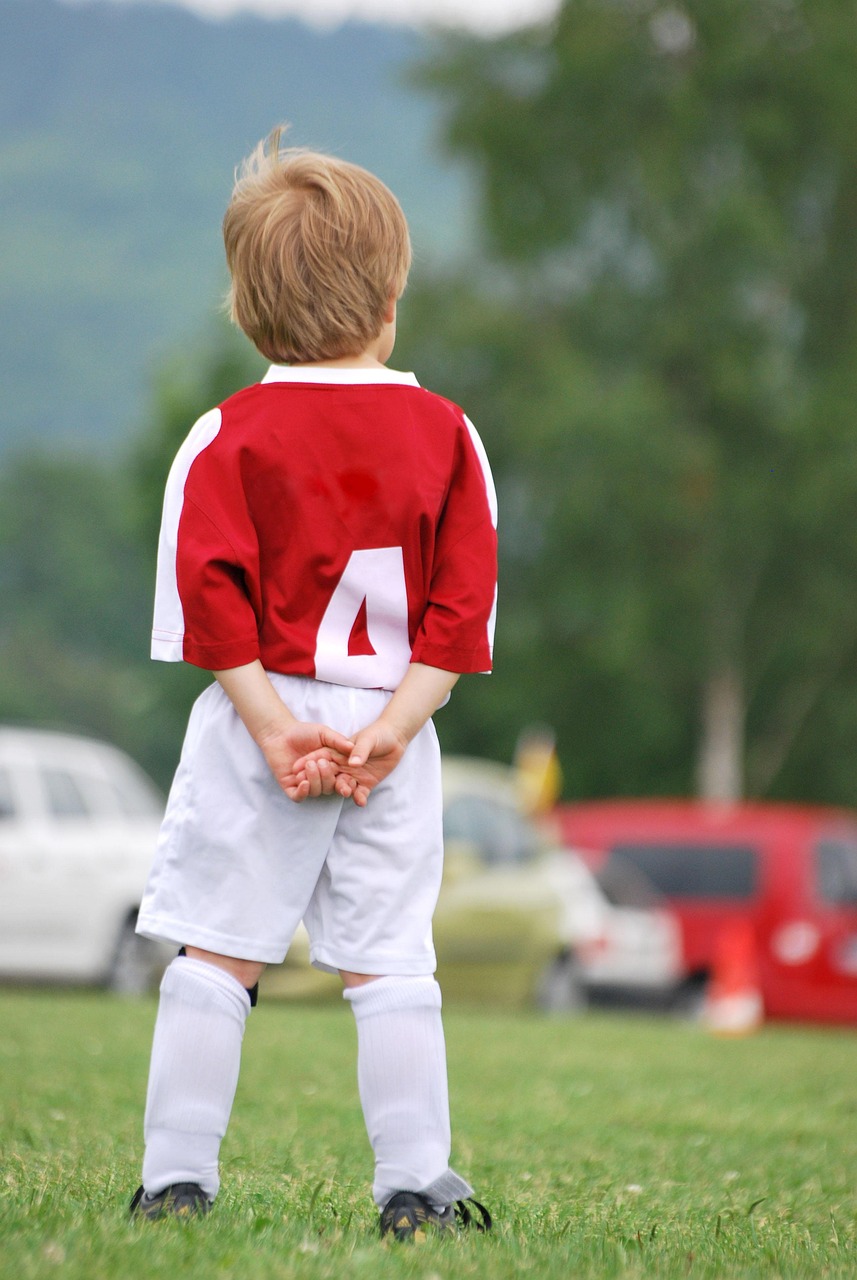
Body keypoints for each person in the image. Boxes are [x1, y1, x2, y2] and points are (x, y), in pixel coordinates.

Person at [128, 125, 498, 1242]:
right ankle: (414, 1183)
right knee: (390, 958)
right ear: (391, 299)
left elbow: (212, 610)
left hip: (261, 721)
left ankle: (176, 1177)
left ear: (247, 312)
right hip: (396, 725)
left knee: (218, 948)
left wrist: (279, 725)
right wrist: (389, 726)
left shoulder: (224, 435)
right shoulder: (447, 434)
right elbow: (457, 615)